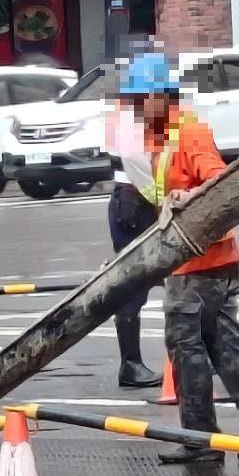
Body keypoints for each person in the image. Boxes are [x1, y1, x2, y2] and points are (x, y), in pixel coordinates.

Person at [121, 52, 239, 465]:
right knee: (225, 347)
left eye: (138, 99)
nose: (133, 108)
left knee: (191, 349)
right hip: (197, 261)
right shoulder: (162, 134)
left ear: (159, 96)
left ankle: (204, 439)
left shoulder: (189, 134)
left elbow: (220, 181)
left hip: (202, 264)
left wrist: (190, 196)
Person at [102, 61, 165, 389]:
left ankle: (189, 354)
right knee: (132, 286)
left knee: (172, 281)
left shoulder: (141, 117)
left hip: (138, 203)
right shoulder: (129, 120)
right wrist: (165, 200)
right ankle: (130, 364)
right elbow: (145, 172)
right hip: (132, 206)